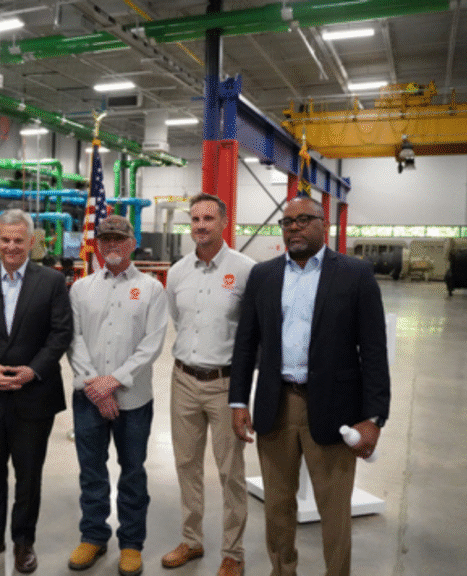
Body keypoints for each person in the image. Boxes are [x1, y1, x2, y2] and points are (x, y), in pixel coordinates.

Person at [229, 195, 390, 576]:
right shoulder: (264, 275)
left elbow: (374, 349)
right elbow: (246, 342)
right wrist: (238, 400)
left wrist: (374, 417)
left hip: (335, 410)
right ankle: (282, 570)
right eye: (287, 223)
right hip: (276, 404)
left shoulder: (355, 273)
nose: (294, 227)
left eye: (303, 220)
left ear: (324, 225)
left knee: (334, 509)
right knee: (278, 506)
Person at [0, 209, 73, 574]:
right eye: (5, 239)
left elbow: (60, 334)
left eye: (18, 240)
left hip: (33, 396)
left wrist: (32, 371)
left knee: (28, 475)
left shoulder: (51, 282)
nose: (11, 246)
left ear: (31, 242)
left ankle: (24, 541)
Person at [65, 215, 168, 576]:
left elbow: (152, 344)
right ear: (96, 244)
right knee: (91, 471)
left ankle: (131, 543)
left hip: (134, 400)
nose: (112, 245)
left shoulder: (152, 289)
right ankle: (93, 536)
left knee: (133, 472)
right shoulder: (80, 289)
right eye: (105, 239)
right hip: (88, 398)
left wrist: (114, 382)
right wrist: (95, 383)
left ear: (132, 243)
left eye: (119, 239)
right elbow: (73, 339)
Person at [162, 193, 255, 576]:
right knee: (186, 465)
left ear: (223, 223)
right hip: (183, 379)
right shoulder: (178, 271)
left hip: (225, 385)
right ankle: (191, 540)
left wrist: (242, 398)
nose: (200, 226)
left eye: (208, 219)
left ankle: (233, 552)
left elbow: (253, 335)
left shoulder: (247, 270)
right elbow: (178, 322)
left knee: (230, 471)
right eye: (195, 219)